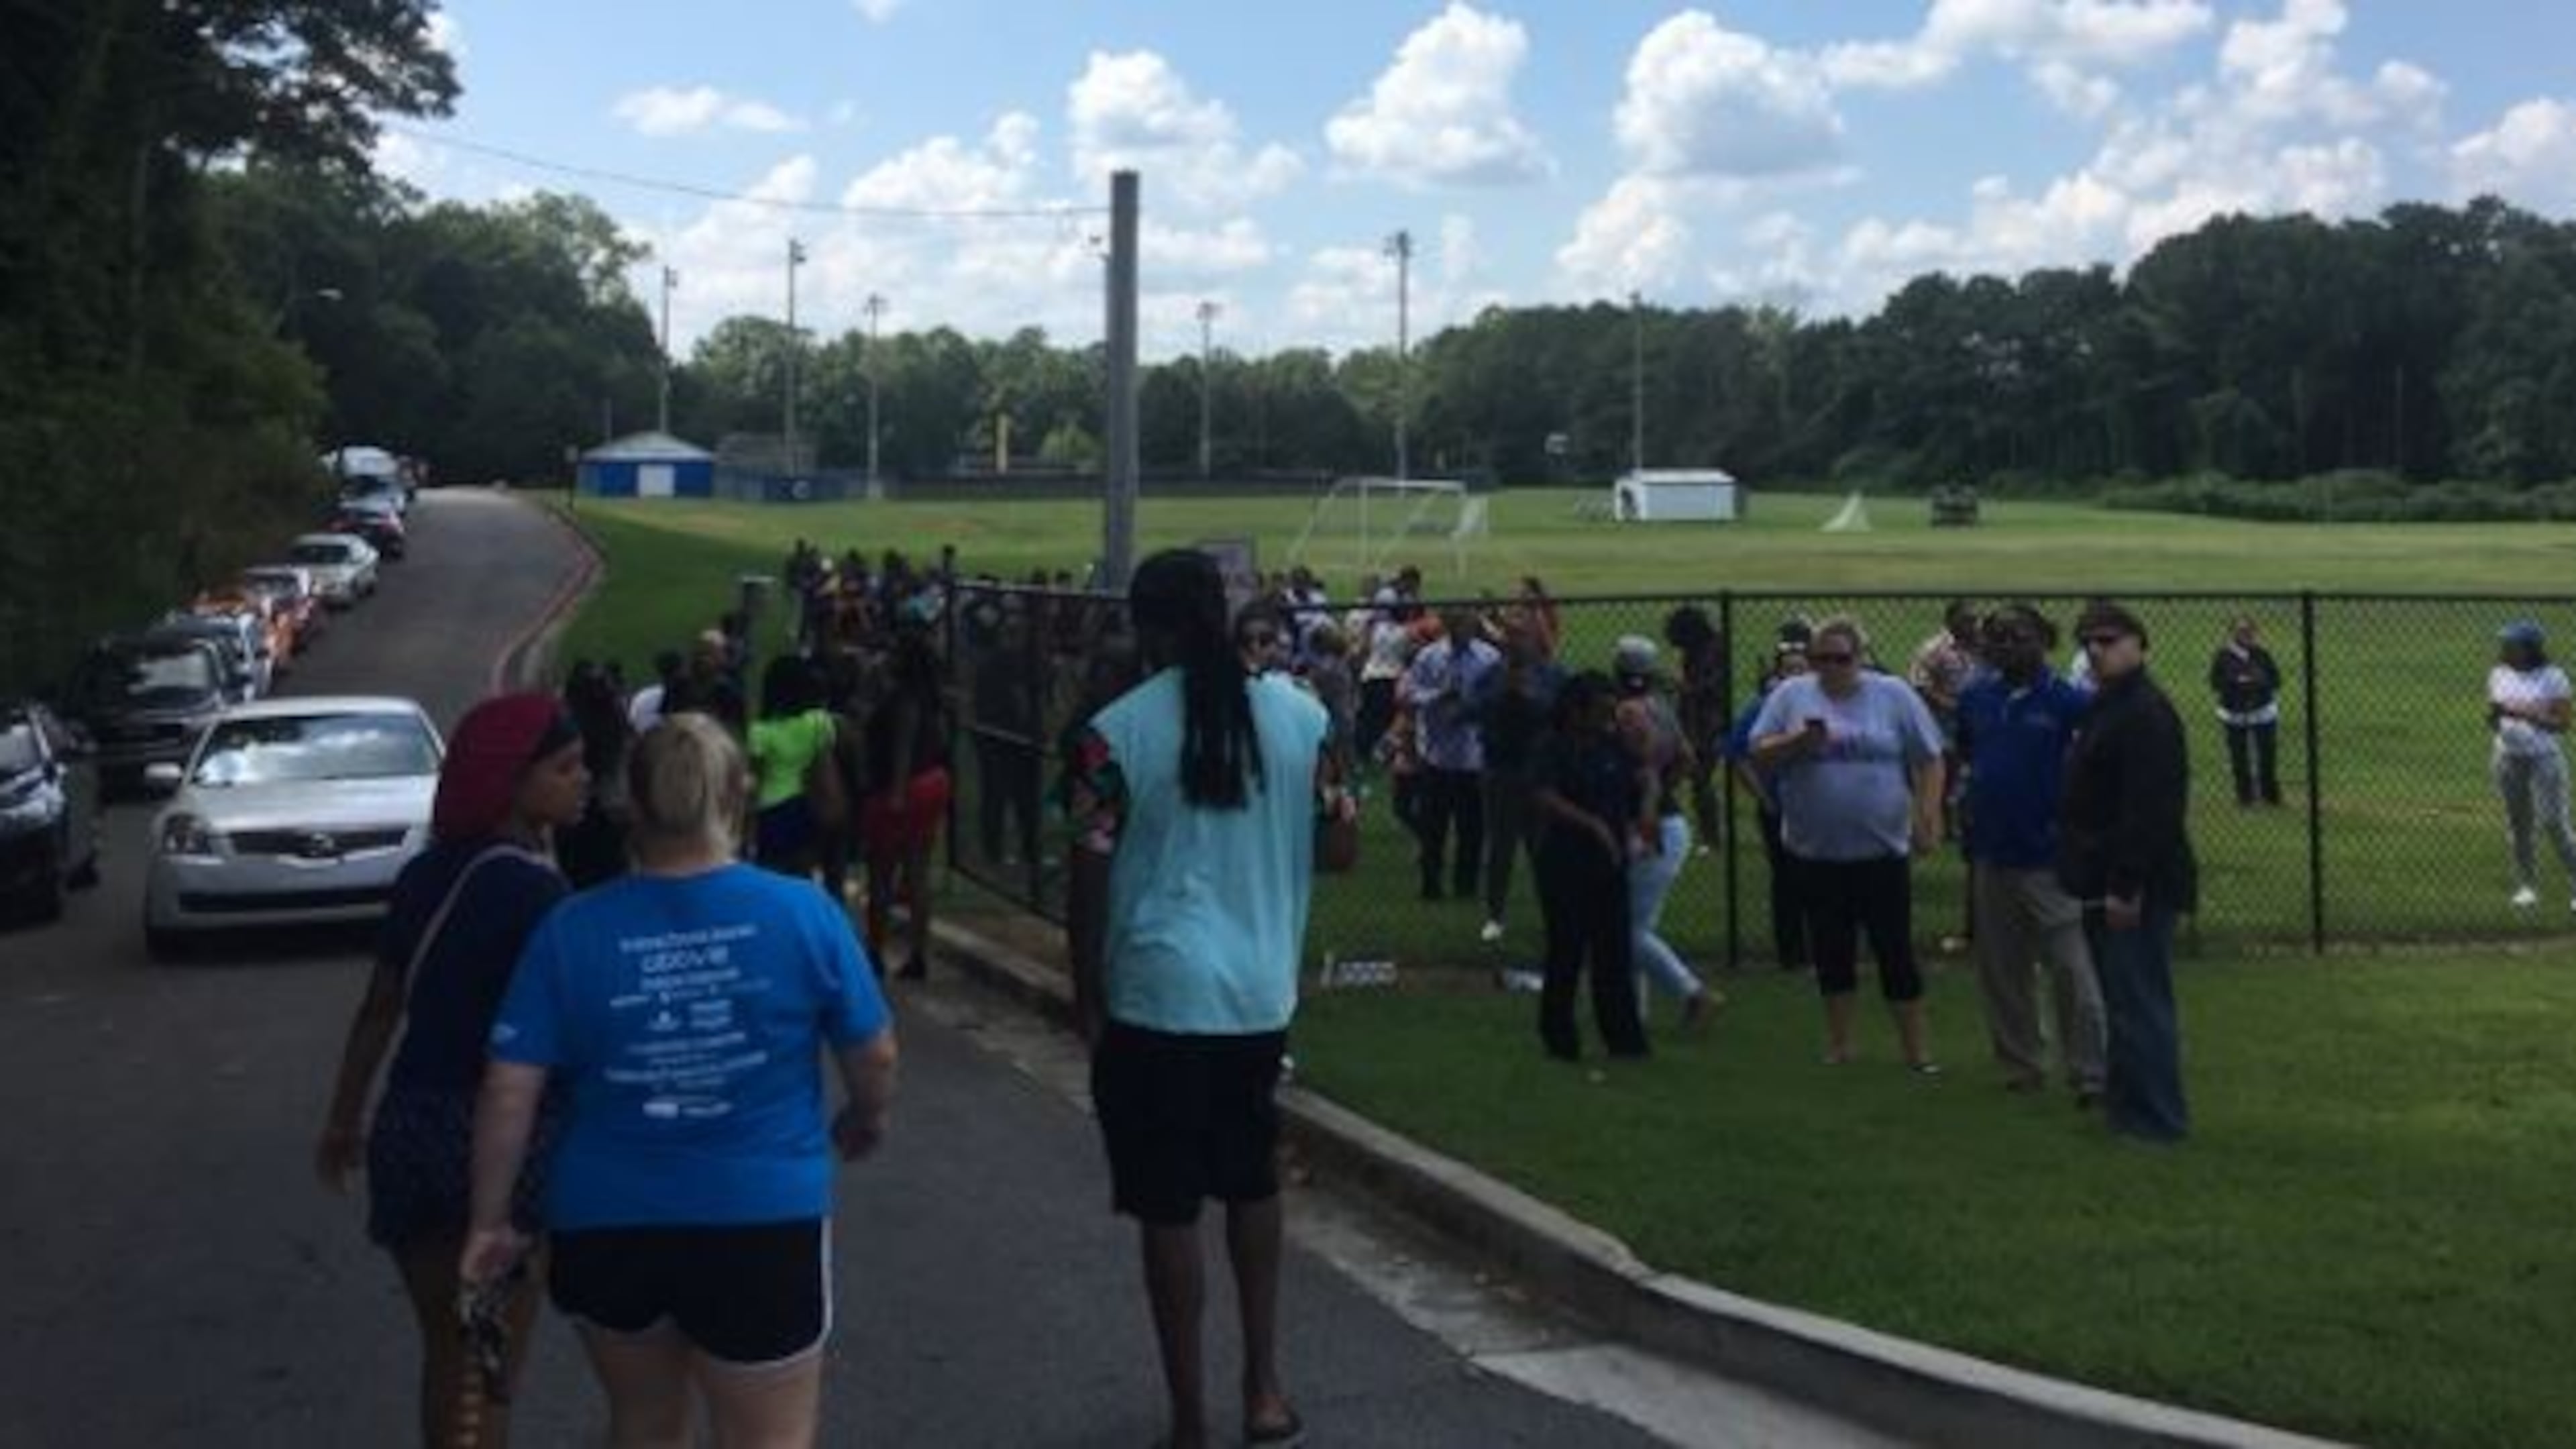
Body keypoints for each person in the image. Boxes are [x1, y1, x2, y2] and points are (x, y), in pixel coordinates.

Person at [461, 714, 898, 1449]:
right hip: (758, 1217)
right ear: (737, 798)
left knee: (643, 1424)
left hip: (609, 1220)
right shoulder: (802, 913)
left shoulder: (571, 928)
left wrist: (488, 1221)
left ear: (629, 803)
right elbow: (875, 1055)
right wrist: (866, 1116)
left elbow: (510, 1086)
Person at [1063, 548, 1352, 1449]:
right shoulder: (1302, 718)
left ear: (1147, 629)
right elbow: (1341, 851)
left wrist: (1088, 993)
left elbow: (1087, 871)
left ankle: (1190, 1418)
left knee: (1167, 1204)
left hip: (1155, 993)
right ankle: (1264, 1388)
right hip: (1260, 994)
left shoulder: (1112, 734)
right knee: (1251, 1180)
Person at [315, 694, 588, 1449]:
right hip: (505, 1142)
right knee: (492, 1363)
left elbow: (379, 1008)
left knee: (448, 1353)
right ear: (513, 782)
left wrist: (344, 1119)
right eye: (565, 769)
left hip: (414, 1126)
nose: (584, 781)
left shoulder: (424, 876)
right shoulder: (543, 895)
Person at [1752, 616, 1946, 1072]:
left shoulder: (1892, 695)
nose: (1830, 668)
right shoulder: (1792, 695)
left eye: (1841, 659)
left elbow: (1931, 759)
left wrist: (1928, 814)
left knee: (1894, 952)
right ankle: (1841, 1045)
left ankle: (1916, 1052)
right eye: (1821, 659)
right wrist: (1799, 740)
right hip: (1815, 852)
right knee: (1831, 951)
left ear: (1860, 658)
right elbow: (1759, 754)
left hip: (1881, 852)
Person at [2059, 600, 2197, 1142]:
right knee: (2121, 1002)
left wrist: (2126, 885)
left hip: (2137, 884)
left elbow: (2151, 809)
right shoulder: (2108, 704)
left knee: (2141, 1004)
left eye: (2110, 640)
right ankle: (2126, 1111)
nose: (2097, 650)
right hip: (2100, 874)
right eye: (2089, 642)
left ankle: (2157, 1122)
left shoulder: (2145, 712)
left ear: (2141, 645)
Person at [1955, 604, 2104, 1104]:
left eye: (2018, 637)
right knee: (2002, 971)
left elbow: (2096, 769)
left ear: (2045, 640)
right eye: (1995, 638)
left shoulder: (2069, 702)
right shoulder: (1976, 697)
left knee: (2072, 970)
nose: (2005, 646)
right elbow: (1967, 758)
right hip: (1991, 854)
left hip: (2049, 857)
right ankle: (2022, 1065)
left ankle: (2089, 1073)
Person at [1529, 671, 1651, 1061]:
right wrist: (1592, 824)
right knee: (1567, 949)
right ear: (1575, 710)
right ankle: (1559, 1037)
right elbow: (1544, 796)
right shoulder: (1552, 747)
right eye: (1599, 712)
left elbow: (1644, 778)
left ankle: (1624, 1039)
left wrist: (1646, 809)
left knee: (1613, 951)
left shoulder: (1612, 746)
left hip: (1610, 861)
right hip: (1565, 861)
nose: (1606, 720)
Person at [1613, 637, 1715, 1028]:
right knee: (1639, 929)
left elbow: (1641, 770)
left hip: (1648, 827)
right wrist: (1663, 786)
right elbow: (1687, 759)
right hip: (1670, 824)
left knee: (1626, 930)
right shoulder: (1662, 709)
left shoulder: (1625, 713)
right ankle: (1633, 1013)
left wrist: (1646, 798)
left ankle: (1693, 993)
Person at [862, 627, 952, 979]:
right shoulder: (931, 697)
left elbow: (902, 743)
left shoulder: (904, 699)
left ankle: (875, 950)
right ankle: (918, 953)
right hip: (933, 782)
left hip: (903, 787)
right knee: (917, 873)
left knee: (882, 874)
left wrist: (897, 793)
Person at [1468, 617, 1563, 945]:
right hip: (1500, 771)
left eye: (1522, 637)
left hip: (1540, 773)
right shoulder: (1492, 675)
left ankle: (1554, 913)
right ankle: (1495, 916)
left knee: (1544, 848)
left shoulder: (1551, 674)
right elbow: (1472, 710)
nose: (1516, 644)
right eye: (1511, 638)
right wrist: (1503, 695)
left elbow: (1560, 714)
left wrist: (1526, 696)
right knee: (1500, 847)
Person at [1401, 608, 1499, 903]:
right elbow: (1411, 694)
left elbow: (1496, 699)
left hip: (1474, 756)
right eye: (1455, 624)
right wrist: (1438, 696)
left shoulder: (1488, 658)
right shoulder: (1429, 656)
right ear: (1446, 625)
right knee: (1433, 827)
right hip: (1438, 754)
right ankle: (1431, 884)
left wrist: (1471, 709)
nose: (1461, 630)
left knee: (1472, 828)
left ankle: (1465, 886)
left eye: (1466, 624)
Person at [1729, 640, 1811, 971]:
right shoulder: (1764, 705)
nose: (1795, 674)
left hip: (1817, 809)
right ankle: (1792, 955)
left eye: (1801, 667)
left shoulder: (1824, 703)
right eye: (1789, 667)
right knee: (1788, 882)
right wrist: (1764, 798)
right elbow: (1737, 755)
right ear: (1777, 672)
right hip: (1780, 808)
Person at [2487, 619, 2576, 910]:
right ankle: (2527, 886)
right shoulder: (2498, 674)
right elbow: (2496, 714)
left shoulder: (2553, 677)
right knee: (2519, 825)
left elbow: (2563, 724)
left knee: (2554, 823)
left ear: (2529, 649)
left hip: (2543, 758)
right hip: (2507, 757)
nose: (2505, 648)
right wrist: (2497, 721)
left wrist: (2526, 716)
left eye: (2511, 644)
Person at [747, 653, 839, 879]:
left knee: (771, 877)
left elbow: (755, 782)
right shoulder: (820, 722)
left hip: (772, 811)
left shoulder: (760, 732)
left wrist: (746, 827)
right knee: (802, 875)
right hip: (808, 806)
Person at [1664, 604, 1729, 854]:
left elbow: (1707, 688)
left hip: (1707, 726)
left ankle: (1711, 840)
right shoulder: (1697, 650)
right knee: (1681, 778)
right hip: (1689, 722)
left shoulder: (1713, 651)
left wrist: (1682, 685)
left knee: (1700, 780)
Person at [2208, 615, 2284, 807]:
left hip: (2263, 712)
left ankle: (2271, 796)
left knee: (2267, 756)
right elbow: (2216, 683)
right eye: (2241, 632)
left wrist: (2256, 682)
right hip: (2235, 715)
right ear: (2232, 634)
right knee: (2239, 758)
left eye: (2250, 632)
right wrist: (2238, 683)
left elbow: (2276, 680)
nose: (2247, 636)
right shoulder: (2223, 657)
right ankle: (2245, 798)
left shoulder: (2262, 654)